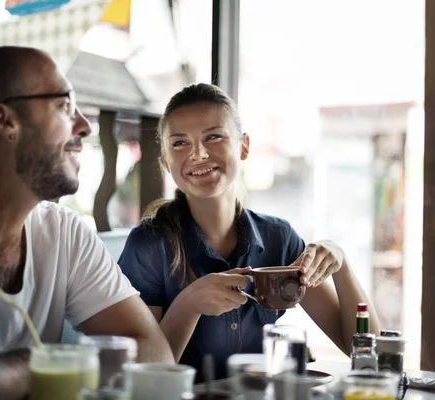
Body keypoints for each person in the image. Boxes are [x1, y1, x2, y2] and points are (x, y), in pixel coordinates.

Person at [0, 46, 173, 400]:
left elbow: (154, 354)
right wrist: (51, 362)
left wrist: (59, 365)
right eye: (65, 106)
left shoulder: (65, 234)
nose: (84, 126)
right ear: (5, 121)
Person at [118, 83, 380, 380]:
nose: (199, 154)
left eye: (213, 137)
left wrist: (340, 263)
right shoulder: (148, 246)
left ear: (243, 147)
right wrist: (188, 305)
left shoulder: (278, 239)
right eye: (180, 143)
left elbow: (367, 354)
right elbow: (141, 379)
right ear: (166, 162)